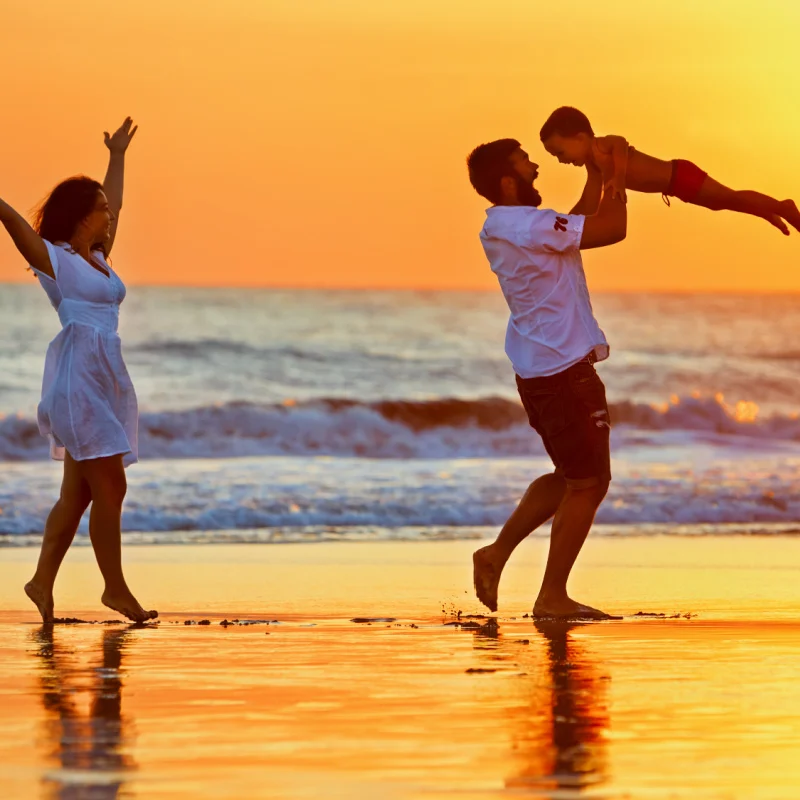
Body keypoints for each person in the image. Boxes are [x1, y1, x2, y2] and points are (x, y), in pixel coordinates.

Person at [0, 118, 156, 623]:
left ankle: (41, 582)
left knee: (79, 493)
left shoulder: (97, 258)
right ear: (83, 216)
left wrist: (118, 156)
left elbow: (118, 200)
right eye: (103, 211)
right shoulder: (57, 261)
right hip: (76, 384)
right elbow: (16, 228)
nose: (110, 215)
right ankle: (116, 589)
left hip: (103, 381)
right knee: (110, 486)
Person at [466, 137, 626, 619]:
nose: (536, 167)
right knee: (590, 483)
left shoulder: (507, 226)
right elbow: (611, 229)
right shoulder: (528, 224)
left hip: (539, 371)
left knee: (573, 476)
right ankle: (551, 596)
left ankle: (495, 554)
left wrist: (595, 177)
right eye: (526, 163)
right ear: (508, 181)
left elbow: (573, 224)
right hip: (561, 374)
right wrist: (619, 171)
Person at [540, 105, 800, 235]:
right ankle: (770, 212)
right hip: (676, 187)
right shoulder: (594, 168)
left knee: (730, 197)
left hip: (680, 174)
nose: (560, 160)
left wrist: (618, 178)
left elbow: (620, 142)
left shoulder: (602, 147)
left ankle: (783, 206)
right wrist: (558, 228)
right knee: (724, 203)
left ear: (579, 136)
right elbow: (587, 204)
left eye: (560, 152)